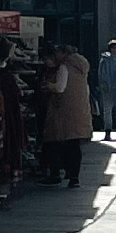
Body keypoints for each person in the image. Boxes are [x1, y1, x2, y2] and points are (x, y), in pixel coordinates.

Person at [38, 45, 92, 188]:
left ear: (63, 53)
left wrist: (49, 85)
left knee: (56, 142)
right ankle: (74, 177)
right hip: (79, 111)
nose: (56, 55)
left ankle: (56, 174)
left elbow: (60, 87)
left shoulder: (65, 66)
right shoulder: (81, 67)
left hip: (64, 111)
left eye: (57, 52)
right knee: (74, 145)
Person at [95, 39, 116, 140]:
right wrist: (103, 85)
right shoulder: (104, 60)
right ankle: (108, 130)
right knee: (107, 111)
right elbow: (101, 74)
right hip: (107, 89)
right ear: (111, 49)